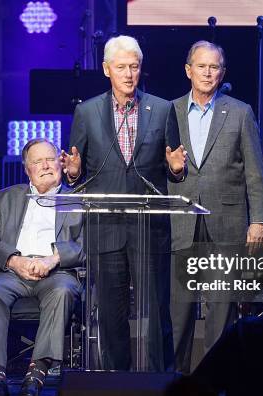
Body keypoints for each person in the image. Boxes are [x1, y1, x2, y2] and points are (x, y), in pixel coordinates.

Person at [60, 35, 187, 371]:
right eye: (121, 67)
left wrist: (177, 170)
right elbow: (78, 170)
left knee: (156, 312)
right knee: (112, 313)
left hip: (150, 229)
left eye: (134, 66)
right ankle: (117, 381)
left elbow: (173, 167)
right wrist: (72, 175)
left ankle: (161, 382)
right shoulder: (86, 112)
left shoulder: (161, 109)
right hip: (107, 228)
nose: (129, 74)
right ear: (106, 70)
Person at [168, 40, 263, 374]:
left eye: (214, 67)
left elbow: (256, 172)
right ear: (188, 70)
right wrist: (174, 170)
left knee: (220, 313)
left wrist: (258, 222)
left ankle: (214, 383)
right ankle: (175, 383)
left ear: (222, 72)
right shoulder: (171, 111)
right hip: (181, 223)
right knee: (179, 313)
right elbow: (160, 168)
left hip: (226, 222)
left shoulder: (240, 112)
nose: (208, 73)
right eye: (201, 66)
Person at [0, 139, 83, 396]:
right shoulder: (6, 197)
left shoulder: (78, 199)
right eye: (37, 161)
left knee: (63, 291)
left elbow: (87, 245)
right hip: (13, 272)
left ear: (60, 162)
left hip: (56, 272)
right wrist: (14, 261)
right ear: (27, 169)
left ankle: (35, 378)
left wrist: (53, 259)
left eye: (50, 159)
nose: (46, 165)